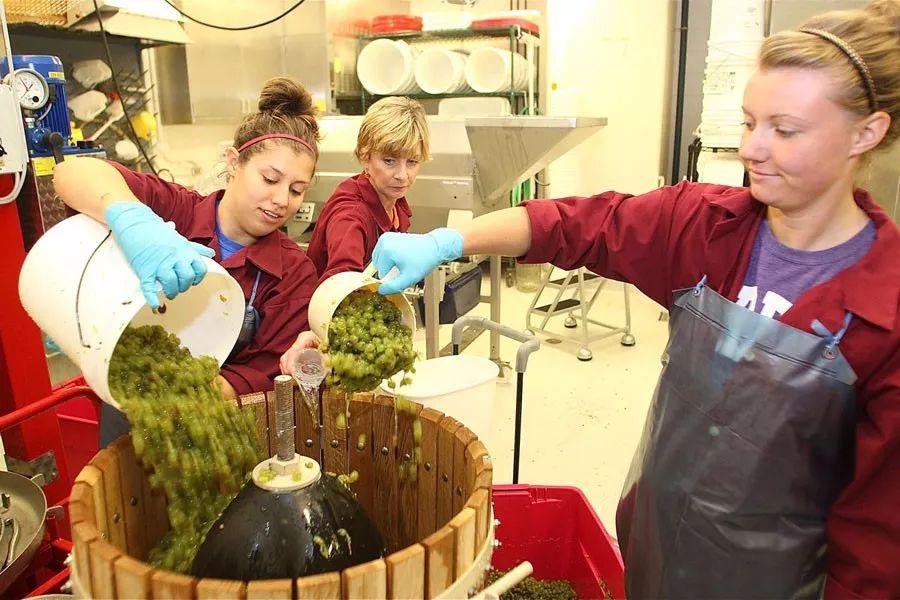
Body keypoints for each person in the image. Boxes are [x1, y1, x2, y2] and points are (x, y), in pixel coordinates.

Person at [369, 2, 900, 598]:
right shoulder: (708, 227)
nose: (753, 148)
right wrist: (447, 242)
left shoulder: (886, 313)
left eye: (786, 130)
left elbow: (877, 545)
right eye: (750, 122)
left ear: (866, 133)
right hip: (656, 547)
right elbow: (575, 225)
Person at [54, 76, 321, 447]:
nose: (281, 200)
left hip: (215, 424)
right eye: (269, 179)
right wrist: (133, 220)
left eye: (296, 190)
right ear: (234, 162)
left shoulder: (293, 272)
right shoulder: (175, 209)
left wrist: (184, 395)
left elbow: (263, 371)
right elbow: (72, 173)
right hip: (125, 401)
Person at [278, 96, 429, 375]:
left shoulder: (393, 202)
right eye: (389, 160)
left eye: (412, 162)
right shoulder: (350, 215)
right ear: (364, 156)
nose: (402, 175)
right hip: (317, 330)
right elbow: (341, 282)